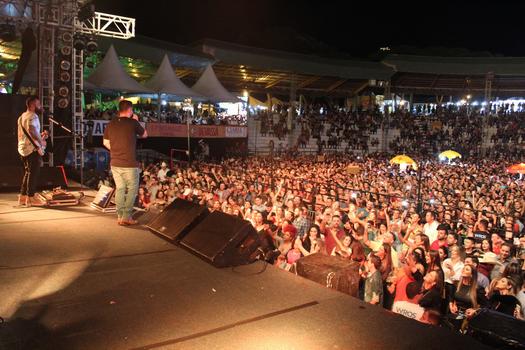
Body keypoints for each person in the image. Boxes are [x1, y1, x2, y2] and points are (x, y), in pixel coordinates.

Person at [103, 100, 147, 225]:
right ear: (129, 110)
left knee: (120, 188)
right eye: (132, 110)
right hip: (129, 163)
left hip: (115, 162)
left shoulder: (111, 123)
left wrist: (116, 149)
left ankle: (120, 216)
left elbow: (105, 142)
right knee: (132, 189)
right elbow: (144, 135)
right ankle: (127, 217)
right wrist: (137, 121)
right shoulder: (133, 122)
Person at [17, 96, 46, 207]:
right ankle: (30, 197)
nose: (40, 106)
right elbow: (31, 129)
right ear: (32, 105)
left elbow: (24, 134)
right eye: (38, 104)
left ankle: (22, 197)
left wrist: (41, 136)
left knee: (27, 173)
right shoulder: (33, 116)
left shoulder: (21, 117)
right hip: (31, 149)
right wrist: (41, 141)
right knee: (33, 174)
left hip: (22, 148)